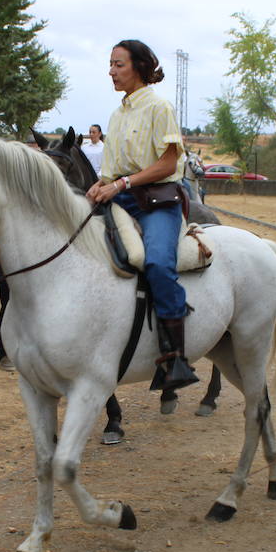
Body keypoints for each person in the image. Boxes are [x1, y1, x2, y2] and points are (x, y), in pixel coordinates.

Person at [86, 38, 199, 391]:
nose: (111, 71)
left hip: (157, 202)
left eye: (118, 64)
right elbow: (110, 171)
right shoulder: (116, 115)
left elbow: (167, 162)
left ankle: (175, 357)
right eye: (110, 64)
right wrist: (97, 186)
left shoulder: (159, 106)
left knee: (158, 265)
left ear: (139, 66)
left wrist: (119, 184)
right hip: (120, 199)